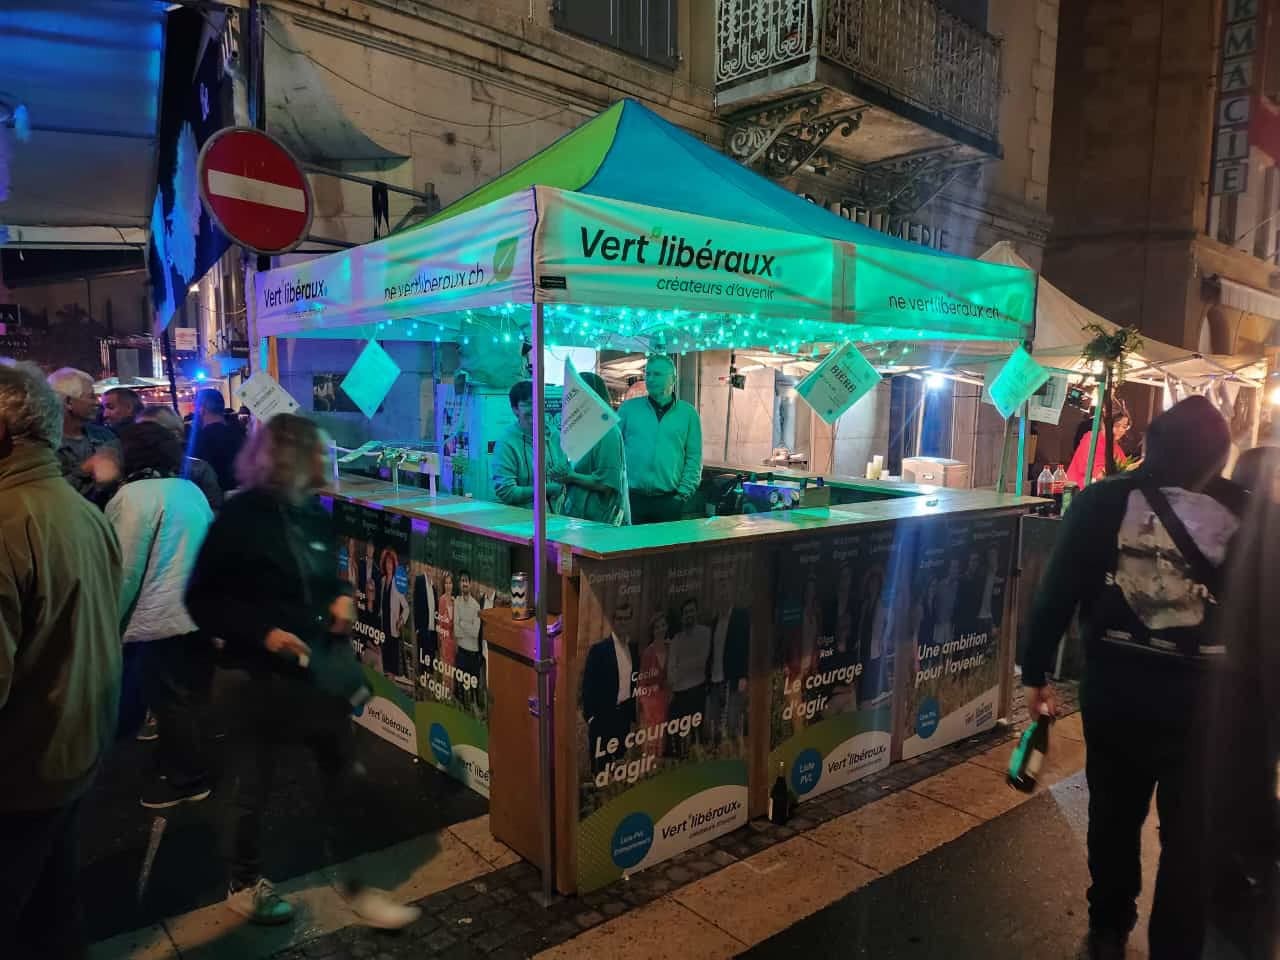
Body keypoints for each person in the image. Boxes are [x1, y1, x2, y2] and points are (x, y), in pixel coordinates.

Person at [1023, 396, 1247, 960]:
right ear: (1220, 454)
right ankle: (1177, 942)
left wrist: (1036, 673)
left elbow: (1057, 592)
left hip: (1116, 694)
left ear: (1152, 445)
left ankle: (1109, 924)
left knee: (1114, 815)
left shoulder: (1102, 501)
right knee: (1189, 832)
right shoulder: (1251, 513)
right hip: (1207, 707)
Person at [185, 413, 418, 930]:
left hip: (315, 672)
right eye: (316, 452)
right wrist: (263, 633)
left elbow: (328, 574)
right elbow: (201, 598)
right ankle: (244, 883)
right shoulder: (240, 516)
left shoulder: (313, 511)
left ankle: (358, 884)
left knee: (343, 777)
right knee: (253, 787)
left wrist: (342, 596)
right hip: (256, 677)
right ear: (286, 458)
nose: (324, 461)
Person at [0, 362, 122, 959]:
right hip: (74, 745)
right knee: (54, 909)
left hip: (22, 765)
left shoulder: (9, 523)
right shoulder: (84, 514)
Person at [107, 421, 215, 809]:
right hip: (197, 612)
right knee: (186, 697)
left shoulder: (132, 498)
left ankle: (188, 779)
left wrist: (107, 619)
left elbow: (124, 570)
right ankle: (181, 764)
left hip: (158, 618)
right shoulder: (189, 489)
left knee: (170, 700)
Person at [618, 355, 702, 524]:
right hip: (632, 498)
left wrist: (681, 496)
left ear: (673, 378)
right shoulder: (628, 409)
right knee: (631, 549)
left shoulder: (688, 414)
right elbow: (613, 450)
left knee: (663, 550)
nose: (650, 379)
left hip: (669, 500)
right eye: (648, 374)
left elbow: (694, 458)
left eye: (657, 374)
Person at [563, 371, 630, 525]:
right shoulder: (579, 428)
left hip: (600, 520)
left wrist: (571, 476)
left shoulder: (608, 432)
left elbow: (607, 484)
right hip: (578, 516)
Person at [47, 366, 120, 505]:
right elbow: (48, 496)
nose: (97, 403)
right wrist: (85, 469)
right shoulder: (44, 446)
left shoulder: (106, 437)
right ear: (69, 402)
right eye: (91, 396)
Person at [491, 380, 569, 508]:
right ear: (515, 409)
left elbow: (564, 474)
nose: (535, 408)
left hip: (556, 519)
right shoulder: (507, 443)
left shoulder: (554, 435)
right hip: (522, 522)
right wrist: (546, 489)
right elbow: (506, 492)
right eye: (528, 404)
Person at [582, 603, 639, 775]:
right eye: (619, 618)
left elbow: (635, 682)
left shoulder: (634, 650)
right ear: (613, 621)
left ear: (630, 621)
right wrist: (591, 718)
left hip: (623, 719)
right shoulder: (599, 650)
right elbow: (588, 686)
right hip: (602, 719)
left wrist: (632, 717)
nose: (622, 623)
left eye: (626, 618)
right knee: (600, 771)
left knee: (619, 770)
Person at [137, 404, 222, 510]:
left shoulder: (198, 470)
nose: (144, 437)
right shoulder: (132, 470)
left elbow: (213, 508)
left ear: (175, 433)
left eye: (153, 431)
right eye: (139, 431)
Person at [707, 579, 750, 747]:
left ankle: (733, 754)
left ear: (731, 595)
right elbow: (713, 651)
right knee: (715, 722)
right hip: (716, 679)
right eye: (720, 594)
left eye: (726, 593)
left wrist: (744, 676)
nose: (723, 597)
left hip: (734, 678)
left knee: (732, 720)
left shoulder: (741, 616)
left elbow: (746, 646)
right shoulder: (715, 621)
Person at [666, 598, 711, 755]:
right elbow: (671, 672)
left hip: (697, 691)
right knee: (679, 734)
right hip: (680, 695)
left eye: (691, 611)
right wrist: (686, 666)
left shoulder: (705, 633)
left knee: (696, 733)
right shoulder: (676, 640)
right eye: (686, 612)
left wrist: (681, 666)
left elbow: (701, 661)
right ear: (682, 616)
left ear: (696, 612)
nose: (689, 615)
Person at [191, 388, 245, 493]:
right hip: (240, 496)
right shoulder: (239, 434)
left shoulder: (200, 440)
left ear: (202, 409)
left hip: (213, 500)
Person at [636, 611, 671, 761]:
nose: (661, 629)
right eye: (657, 627)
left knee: (663, 737)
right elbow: (641, 683)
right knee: (652, 737)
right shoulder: (648, 653)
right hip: (651, 702)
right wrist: (646, 704)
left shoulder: (671, 647)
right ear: (653, 630)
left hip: (666, 700)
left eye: (663, 625)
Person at [1065, 412, 1131, 489]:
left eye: (1124, 427)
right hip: (1081, 490)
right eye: (1117, 426)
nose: (1121, 430)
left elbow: (1125, 468)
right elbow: (1098, 474)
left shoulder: (1115, 446)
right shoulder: (1092, 439)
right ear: (1103, 425)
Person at [375, 549, 408, 681]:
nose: (389, 565)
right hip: (384, 628)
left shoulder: (397, 583)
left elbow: (406, 608)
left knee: (392, 668)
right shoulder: (383, 581)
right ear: (384, 564)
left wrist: (401, 620)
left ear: (394, 565)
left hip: (393, 629)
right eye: (387, 562)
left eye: (391, 563)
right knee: (385, 665)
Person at [453, 571, 484, 709]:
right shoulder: (457, 603)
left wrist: (462, 623)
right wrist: (467, 624)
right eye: (462, 581)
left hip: (473, 655)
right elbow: (456, 631)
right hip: (461, 653)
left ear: (470, 584)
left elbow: (476, 632)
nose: (464, 583)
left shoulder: (476, 606)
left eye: (466, 581)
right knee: (459, 692)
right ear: (459, 584)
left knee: (474, 693)